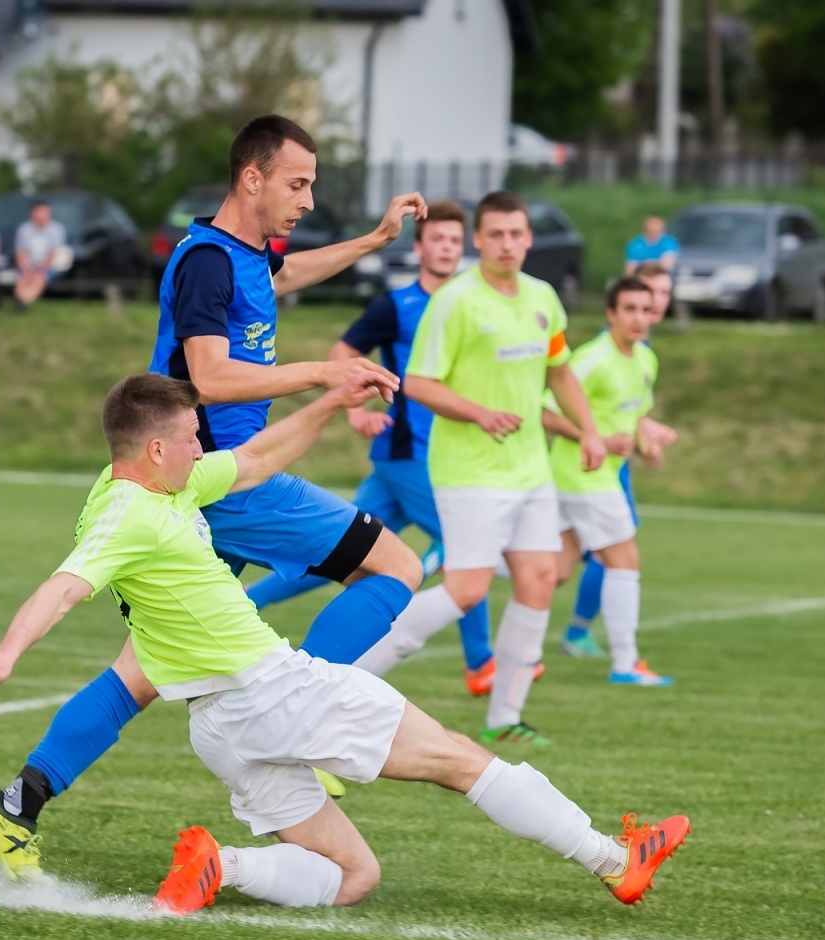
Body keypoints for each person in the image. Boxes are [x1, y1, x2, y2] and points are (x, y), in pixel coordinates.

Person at [0, 372, 690, 913]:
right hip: (274, 691)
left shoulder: (157, 483)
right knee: (462, 760)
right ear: (159, 449)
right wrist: (8, 651)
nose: (202, 445)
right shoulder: (127, 516)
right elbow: (65, 586)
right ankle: (615, 860)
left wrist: (330, 401)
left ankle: (220, 865)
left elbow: (260, 458)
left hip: (220, 728)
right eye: (192, 437)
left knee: (354, 876)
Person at [0, 115, 430, 873]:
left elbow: (283, 279)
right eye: (298, 184)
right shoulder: (209, 264)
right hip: (225, 478)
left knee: (140, 673)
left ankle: (18, 806)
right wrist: (322, 373)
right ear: (252, 178)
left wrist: (375, 242)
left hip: (193, 489)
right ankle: (304, 726)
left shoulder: (242, 256)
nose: (308, 200)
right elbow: (208, 378)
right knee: (397, 569)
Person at [241, 199, 531, 697]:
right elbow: (341, 354)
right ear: (419, 247)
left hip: (446, 455)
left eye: (452, 241)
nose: (445, 248)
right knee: (467, 550)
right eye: (435, 239)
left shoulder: (471, 304)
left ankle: (249, 603)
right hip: (407, 454)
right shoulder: (397, 305)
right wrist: (356, 412)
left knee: (344, 554)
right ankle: (482, 664)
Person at [354, 190, 606, 748]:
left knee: (539, 580)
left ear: (529, 238)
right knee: (466, 590)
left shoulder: (543, 298)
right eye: (496, 235)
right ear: (479, 240)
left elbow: (560, 371)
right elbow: (417, 382)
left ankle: (505, 716)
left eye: (517, 234)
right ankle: (350, 679)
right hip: (468, 471)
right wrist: (479, 413)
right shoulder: (456, 301)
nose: (508, 244)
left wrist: (587, 429)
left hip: (530, 470)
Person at [542, 277, 674, 686]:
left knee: (555, 570)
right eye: (629, 309)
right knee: (624, 560)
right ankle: (625, 664)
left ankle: (469, 570)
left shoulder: (645, 360)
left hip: (586, 478)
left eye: (646, 310)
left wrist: (647, 442)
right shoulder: (592, 358)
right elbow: (545, 411)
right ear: (611, 314)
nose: (639, 318)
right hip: (583, 477)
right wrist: (593, 438)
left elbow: (630, 418)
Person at [12, 201, 67, 311]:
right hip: (28, 265)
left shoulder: (57, 230)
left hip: (48, 267)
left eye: (44, 212)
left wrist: (39, 269)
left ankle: (23, 301)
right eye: (38, 212)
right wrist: (26, 268)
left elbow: (53, 255)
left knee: (38, 278)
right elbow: (20, 253)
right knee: (23, 278)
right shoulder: (24, 229)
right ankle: (22, 300)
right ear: (33, 213)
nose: (41, 215)